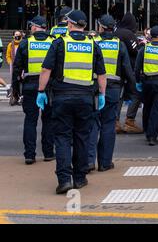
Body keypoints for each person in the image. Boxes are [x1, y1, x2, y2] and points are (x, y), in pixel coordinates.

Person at [37, 10, 107, 195]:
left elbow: (46, 70)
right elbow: (101, 74)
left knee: (62, 138)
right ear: (84, 26)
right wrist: (102, 94)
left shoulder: (59, 43)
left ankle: (64, 180)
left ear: (69, 24)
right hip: (86, 98)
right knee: (82, 137)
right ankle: (79, 178)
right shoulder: (93, 45)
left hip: (61, 97)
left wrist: (41, 91)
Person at [88, 15, 135, 172]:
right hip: (114, 89)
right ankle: (105, 163)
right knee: (108, 125)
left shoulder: (93, 43)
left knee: (93, 124)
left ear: (101, 27)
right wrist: (134, 88)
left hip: (94, 89)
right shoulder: (119, 45)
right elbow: (127, 69)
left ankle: (89, 162)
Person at [12, 16, 54, 165]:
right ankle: (48, 153)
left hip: (30, 86)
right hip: (48, 87)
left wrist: (15, 90)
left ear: (35, 27)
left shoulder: (25, 43)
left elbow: (16, 70)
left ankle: (30, 155)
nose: (30, 29)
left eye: (31, 26)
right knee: (48, 120)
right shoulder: (53, 42)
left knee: (30, 120)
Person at [114, 12, 143, 134]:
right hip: (128, 69)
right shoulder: (128, 33)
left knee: (119, 96)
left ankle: (115, 122)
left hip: (116, 69)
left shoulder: (116, 32)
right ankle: (129, 121)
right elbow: (135, 50)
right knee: (136, 93)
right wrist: (141, 45)